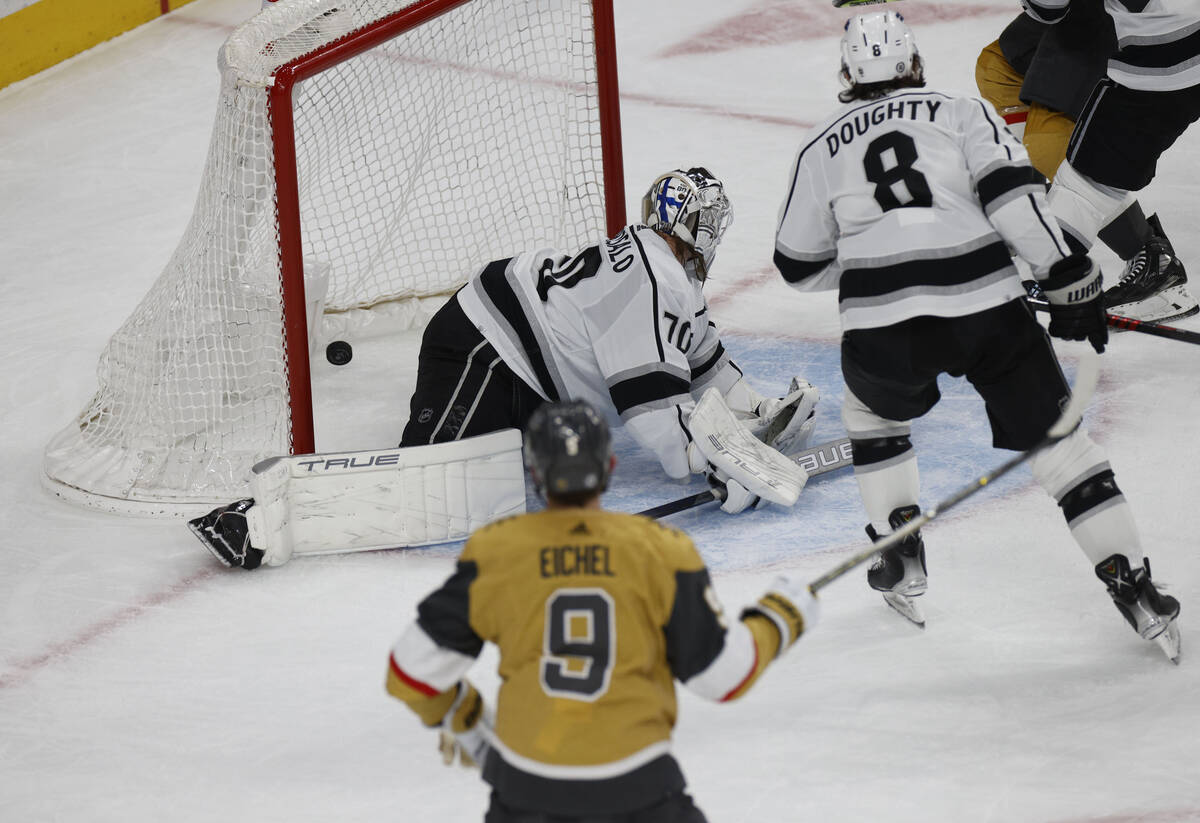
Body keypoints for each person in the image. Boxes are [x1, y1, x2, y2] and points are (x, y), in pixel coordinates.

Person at [772, 10, 1179, 658]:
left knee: (874, 419)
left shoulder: (821, 145)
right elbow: (1014, 201)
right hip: (986, 307)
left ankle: (900, 549)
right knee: (1062, 448)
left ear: (850, 73)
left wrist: (872, 259)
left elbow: (796, 263)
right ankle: (1131, 579)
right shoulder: (961, 112)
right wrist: (1066, 278)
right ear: (913, 64)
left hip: (882, 323)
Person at [385, 399, 820, 821]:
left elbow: (410, 672)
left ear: (535, 473)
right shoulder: (661, 551)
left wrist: (462, 713)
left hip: (524, 788)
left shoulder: (496, 551)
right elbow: (722, 678)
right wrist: (780, 618)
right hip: (638, 789)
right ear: (609, 468)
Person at [399, 165, 817, 512]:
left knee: (498, 464)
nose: (713, 233)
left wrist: (757, 411)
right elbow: (649, 405)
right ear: (689, 224)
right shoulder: (651, 280)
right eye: (708, 222)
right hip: (483, 344)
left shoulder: (673, 277)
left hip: (535, 379)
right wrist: (712, 461)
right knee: (432, 480)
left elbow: (703, 363)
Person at [974, 7, 1197, 324]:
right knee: (997, 66)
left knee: (1073, 158)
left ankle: (1151, 262)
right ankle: (1035, 220)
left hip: (1151, 38)